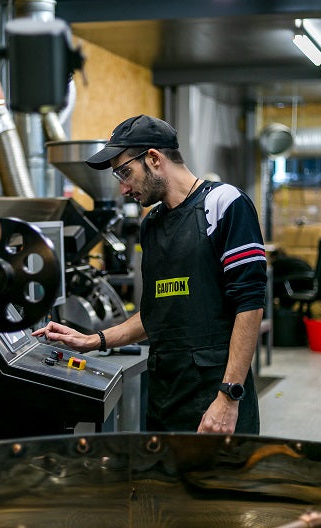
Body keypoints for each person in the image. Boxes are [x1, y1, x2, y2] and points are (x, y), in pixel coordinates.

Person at [32, 114, 267, 434]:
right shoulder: (151, 225)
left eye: (125, 172)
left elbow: (250, 305)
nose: (123, 188)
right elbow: (156, 313)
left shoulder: (223, 204)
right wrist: (92, 340)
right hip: (165, 399)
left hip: (214, 401)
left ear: (154, 159)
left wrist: (228, 397)